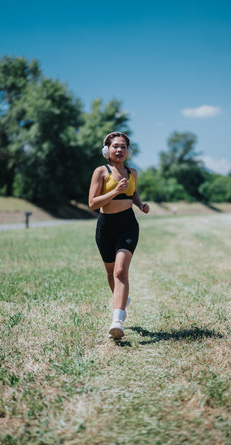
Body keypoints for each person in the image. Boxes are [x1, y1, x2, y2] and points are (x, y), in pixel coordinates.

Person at [88, 131, 150, 339]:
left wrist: (140, 204)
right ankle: (122, 299)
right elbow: (92, 203)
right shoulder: (101, 171)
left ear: (128, 151)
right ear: (107, 150)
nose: (119, 150)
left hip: (128, 225)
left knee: (121, 272)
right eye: (115, 146)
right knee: (110, 272)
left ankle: (117, 321)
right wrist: (114, 191)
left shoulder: (133, 173)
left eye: (123, 146)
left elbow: (131, 193)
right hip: (106, 226)